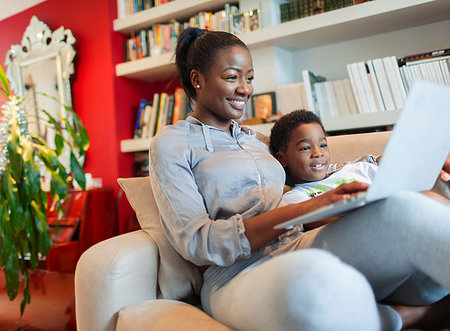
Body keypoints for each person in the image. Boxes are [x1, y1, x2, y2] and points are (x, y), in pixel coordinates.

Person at [149, 27, 450, 331]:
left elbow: (313, 168)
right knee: (315, 279)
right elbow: (199, 243)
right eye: (232, 77)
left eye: (250, 78)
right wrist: (306, 209)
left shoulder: (256, 140)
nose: (245, 89)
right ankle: (408, 317)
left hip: (297, 243)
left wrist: (388, 163)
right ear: (197, 79)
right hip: (234, 274)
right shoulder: (173, 143)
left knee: (407, 209)